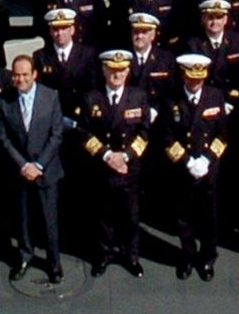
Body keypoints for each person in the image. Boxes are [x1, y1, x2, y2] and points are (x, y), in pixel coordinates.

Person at [75, 48, 150, 278]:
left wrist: (125, 156)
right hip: (103, 167)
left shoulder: (138, 97)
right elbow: (84, 133)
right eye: (112, 70)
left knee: (130, 215)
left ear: (128, 72)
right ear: (104, 70)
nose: (116, 75)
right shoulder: (91, 98)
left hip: (129, 168)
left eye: (121, 70)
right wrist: (107, 155)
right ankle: (104, 254)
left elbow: (144, 132)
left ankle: (131, 256)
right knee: (103, 214)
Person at [0, 53, 64, 284]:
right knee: (23, 219)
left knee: (49, 220)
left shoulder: (51, 96)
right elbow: (3, 137)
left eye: (25, 74)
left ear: (35, 74)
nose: (20, 79)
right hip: (20, 171)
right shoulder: (5, 100)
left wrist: (39, 165)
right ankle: (25, 255)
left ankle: (54, 263)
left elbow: (56, 135)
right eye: (16, 75)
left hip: (46, 170)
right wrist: (23, 165)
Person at [161, 52, 228, 280]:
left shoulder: (215, 97)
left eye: (199, 78)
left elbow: (222, 134)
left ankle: (208, 258)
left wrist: (207, 159)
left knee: (209, 216)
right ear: (183, 75)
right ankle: (187, 256)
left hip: (208, 168)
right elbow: (167, 137)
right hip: (183, 168)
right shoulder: (171, 99)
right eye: (191, 78)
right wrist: (188, 161)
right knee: (184, 217)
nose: (194, 82)